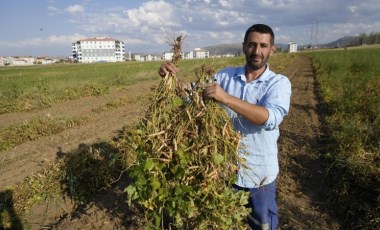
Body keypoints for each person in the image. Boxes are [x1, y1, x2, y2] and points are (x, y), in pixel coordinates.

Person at [158, 24, 291, 230]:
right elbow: (190, 95)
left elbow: (269, 118)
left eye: (263, 46)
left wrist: (226, 98)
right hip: (226, 172)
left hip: (260, 177)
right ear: (244, 47)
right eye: (252, 45)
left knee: (262, 225)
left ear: (272, 50)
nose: (257, 51)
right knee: (222, 223)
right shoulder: (224, 76)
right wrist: (170, 78)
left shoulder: (278, 83)